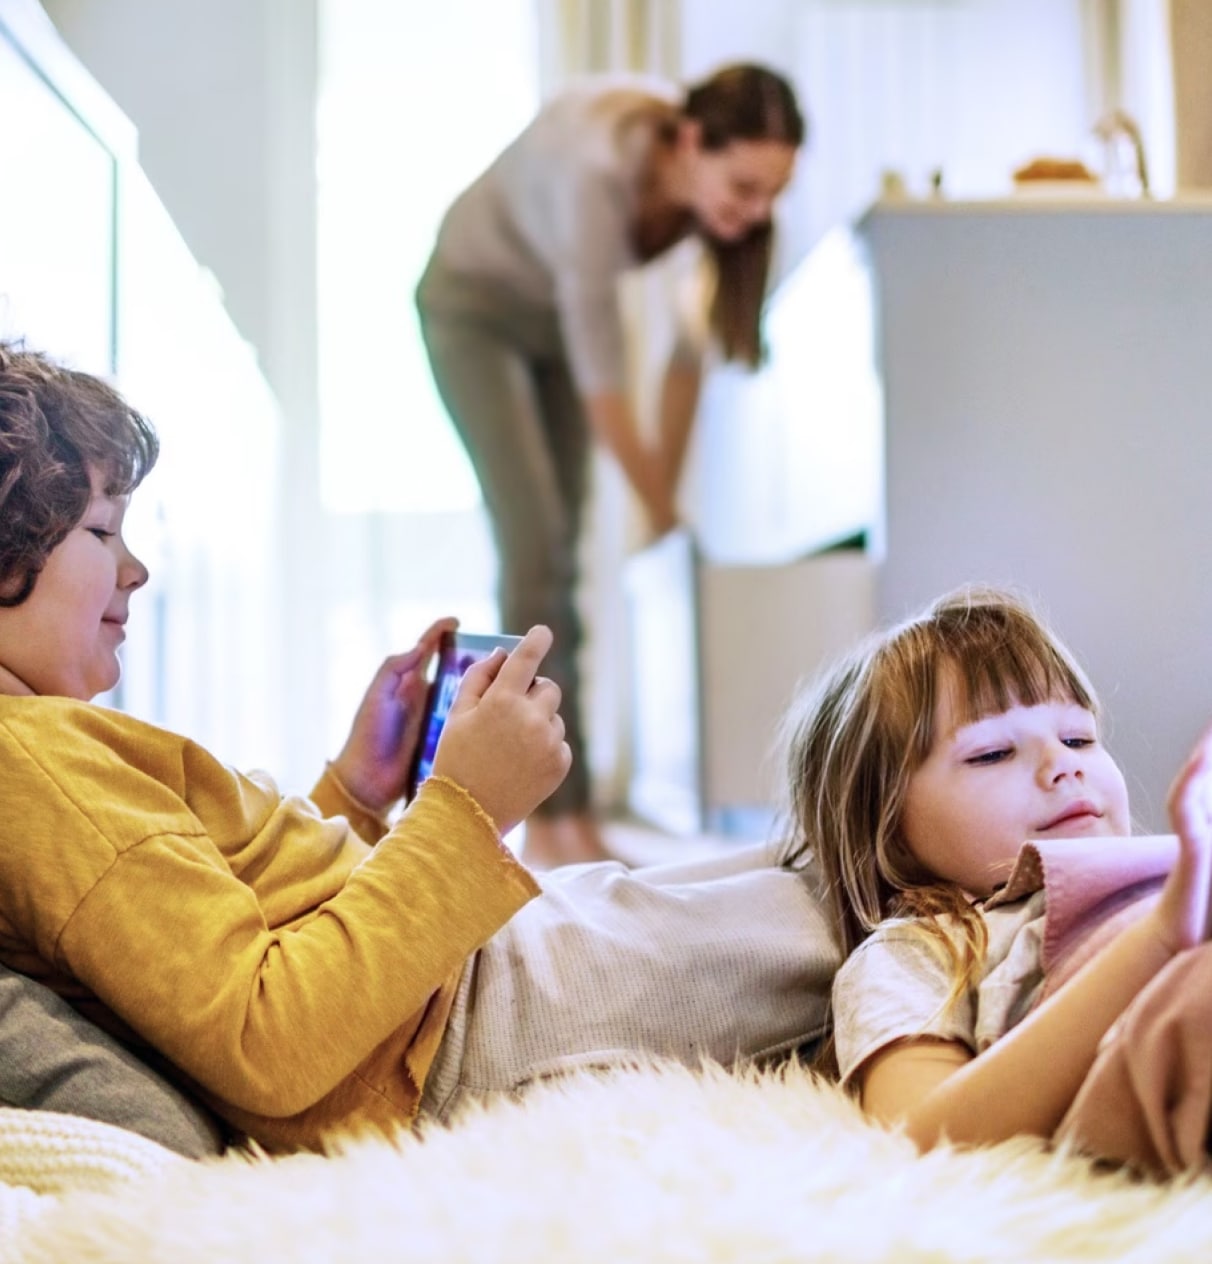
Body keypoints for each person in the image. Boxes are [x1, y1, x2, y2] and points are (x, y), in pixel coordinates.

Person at [0, 342, 839, 1154]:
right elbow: (267, 1041)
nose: (136, 568)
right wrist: (468, 809)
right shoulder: (32, 769)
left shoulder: (46, 762)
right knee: (842, 910)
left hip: (451, 988)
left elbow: (232, 932)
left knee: (790, 872)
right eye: (103, 531)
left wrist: (355, 792)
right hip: (457, 1036)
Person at [416, 63, 807, 868]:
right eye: (744, 186)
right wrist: (656, 500)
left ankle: (573, 802)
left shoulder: (709, 208)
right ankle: (550, 817)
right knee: (538, 544)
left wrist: (666, 497)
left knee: (565, 555)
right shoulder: (599, 168)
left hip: (550, 325)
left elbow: (683, 366)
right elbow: (606, 377)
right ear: (692, 141)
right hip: (473, 308)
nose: (755, 212)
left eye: (771, 194)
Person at [776, 584, 1212, 1162]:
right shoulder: (921, 948)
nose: (1063, 765)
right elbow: (922, 1133)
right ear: (885, 827)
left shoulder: (1176, 857)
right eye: (991, 754)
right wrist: (1158, 937)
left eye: (1078, 737)